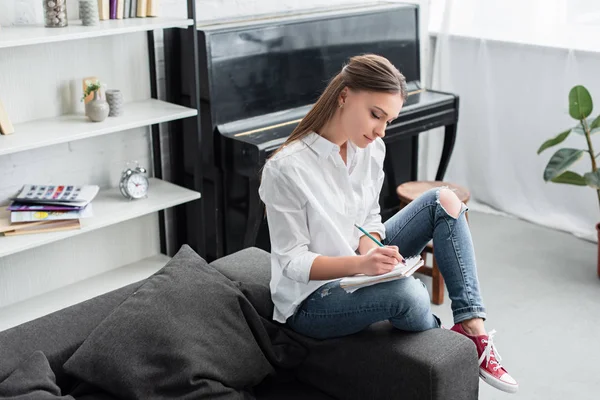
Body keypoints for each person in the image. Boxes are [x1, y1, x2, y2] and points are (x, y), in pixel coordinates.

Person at [258, 54, 518, 394]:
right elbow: (292, 262)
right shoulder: (286, 169)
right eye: (375, 115)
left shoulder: (370, 149)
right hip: (311, 301)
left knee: (445, 200)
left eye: (389, 121)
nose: (381, 131)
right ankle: (438, 334)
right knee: (410, 294)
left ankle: (473, 330)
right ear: (344, 96)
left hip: (357, 263)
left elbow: (367, 219)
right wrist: (362, 264)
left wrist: (373, 251)